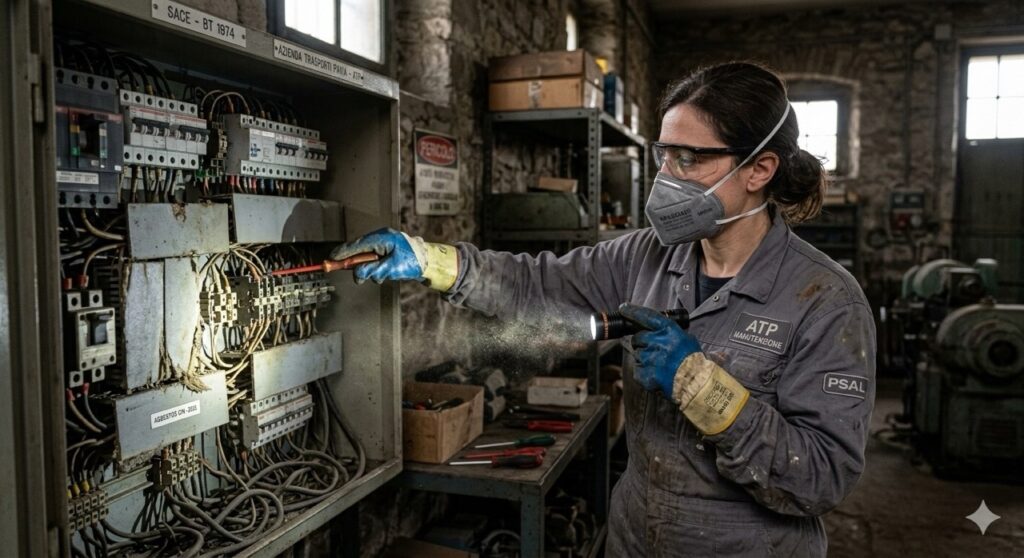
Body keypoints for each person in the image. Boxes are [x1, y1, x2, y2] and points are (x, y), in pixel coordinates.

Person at [331, 61, 875, 557]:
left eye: (689, 159)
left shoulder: (825, 300)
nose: (667, 177)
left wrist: (704, 389)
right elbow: (536, 284)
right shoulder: (644, 256)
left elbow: (821, 476)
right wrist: (429, 259)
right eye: (664, 155)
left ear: (759, 170)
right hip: (635, 538)